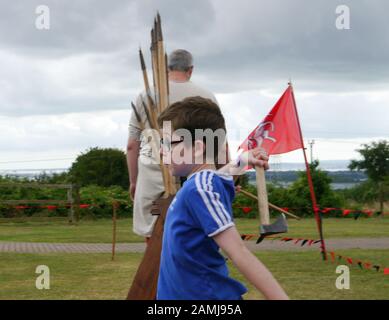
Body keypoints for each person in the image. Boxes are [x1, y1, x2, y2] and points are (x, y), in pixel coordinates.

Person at [156, 96, 289, 300]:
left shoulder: (199, 189)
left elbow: (239, 252)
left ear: (198, 148)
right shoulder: (201, 185)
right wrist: (243, 160)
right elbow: (219, 176)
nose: (161, 151)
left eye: (167, 144)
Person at [127, 49, 219, 240]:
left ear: (166, 68)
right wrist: (223, 174)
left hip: (152, 172)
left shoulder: (146, 95)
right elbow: (218, 144)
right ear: (190, 69)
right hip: (195, 173)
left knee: (153, 234)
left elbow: (132, 145)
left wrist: (134, 181)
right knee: (195, 233)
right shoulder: (206, 96)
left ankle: (161, 269)